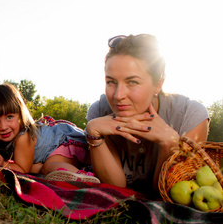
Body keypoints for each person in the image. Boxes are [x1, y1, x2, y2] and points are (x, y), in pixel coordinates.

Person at [85, 34, 209, 196]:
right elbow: (116, 188)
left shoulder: (190, 115)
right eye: (111, 82)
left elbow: (169, 194)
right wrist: (93, 133)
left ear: (158, 84)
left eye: (132, 82)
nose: (118, 95)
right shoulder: (98, 113)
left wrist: (169, 145)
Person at [0, 83, 100, 183]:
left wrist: (3, 164)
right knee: (39, 167)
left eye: (9, 117)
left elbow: (23, 170)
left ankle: (83, 177)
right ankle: (77, 172)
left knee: (48, 167)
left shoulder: (23, 135)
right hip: (53, 151)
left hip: (62, 145)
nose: (3, 126)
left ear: (21, 115)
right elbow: (25, 164)